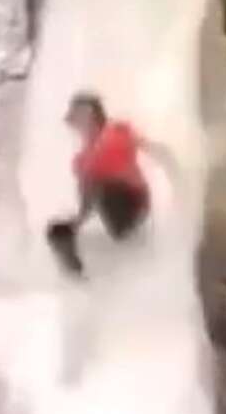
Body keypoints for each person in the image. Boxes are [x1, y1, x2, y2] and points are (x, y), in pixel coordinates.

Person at [46, 91, 174, 276]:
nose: (76, 126)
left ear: (90, 114)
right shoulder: (82, 161)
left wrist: (180, 184)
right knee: (57, 231)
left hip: (133, 202)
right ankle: (79, 280)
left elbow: (156, 151)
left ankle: (126, 247)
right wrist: (70, 228)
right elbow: (88, 203)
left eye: (79, 116)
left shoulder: (117, 132)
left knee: (101, 187)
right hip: (111, 211)